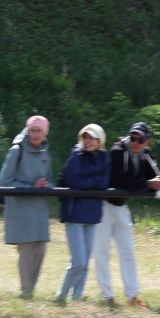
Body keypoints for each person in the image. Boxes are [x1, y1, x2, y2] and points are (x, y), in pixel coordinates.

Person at [96, 121, 160, 308]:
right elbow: (119, 180)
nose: (136, 142)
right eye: (133, 138)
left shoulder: (146, 154)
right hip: (103, 205)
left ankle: (132, 296)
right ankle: (107, 296)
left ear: (147, 142)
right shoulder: (117, 150)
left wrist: (155, 181)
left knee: (128, 251)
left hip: (120, 206)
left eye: (140, 140)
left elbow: (154, 176)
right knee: (102, 252)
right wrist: (147, 184)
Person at [0, 115, 54, 298]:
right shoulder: (16, 150)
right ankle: (25, 292)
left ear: (45, 132)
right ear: (27, 131)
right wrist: (30, 187)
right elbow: (4, 180)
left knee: (40, 249)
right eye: (32, 130)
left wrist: (47, 186)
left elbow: (50, 179)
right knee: (26, 249)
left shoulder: (46, 151)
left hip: (39, 209)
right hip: (20, 207)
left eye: (39, 130)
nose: (36, 134)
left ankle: (31, 291)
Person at [55, 123, 111, 304]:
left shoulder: (103, 157)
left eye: (92, 138)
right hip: (74, 213)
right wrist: (93, 183)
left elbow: (104, 182)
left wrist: (89, 183)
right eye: (85, 137)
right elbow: (73, 181)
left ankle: (76, 299)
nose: (87, 141)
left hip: (92, 215)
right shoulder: (75, 156)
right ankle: (61, 296)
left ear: (99, 140)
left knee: (85, 263)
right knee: (78, 261)